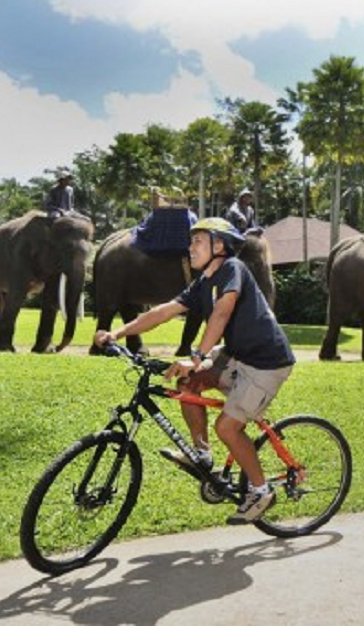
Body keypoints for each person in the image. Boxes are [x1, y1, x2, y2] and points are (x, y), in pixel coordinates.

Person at [93, 217, 296, 523]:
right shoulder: (203, 283)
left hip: (266, 362)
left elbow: (222, 313)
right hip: (236, 355)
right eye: (191, 242)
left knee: (227, 428)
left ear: (219, 245)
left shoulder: (232, 269)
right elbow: (163, 312)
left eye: (198, 241)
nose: (190, 248)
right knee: (188, 384)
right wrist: (116, 333)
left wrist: (198, 357)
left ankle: (261, 490)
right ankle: (202, 455)